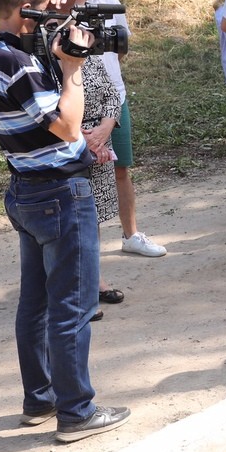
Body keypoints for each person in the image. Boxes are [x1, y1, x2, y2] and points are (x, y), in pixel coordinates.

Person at [0, 0, 131, 442]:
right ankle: (76, 413)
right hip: (60, 195)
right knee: (73, 308)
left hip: (26, 189)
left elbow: (43, 117)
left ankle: (39, 400)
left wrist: (51, 20)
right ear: (25, 14)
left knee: (36, 304)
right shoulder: (18, 64)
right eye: (43, 8)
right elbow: (64, 124)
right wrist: (73, 67)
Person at [54, 0, 167, 259]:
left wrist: (109, 113)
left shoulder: (109, 2)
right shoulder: (51, 8)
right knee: (77, 176)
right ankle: (83, 249)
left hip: (114, 101)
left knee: (121, 168)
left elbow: (121, 53)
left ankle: (131, 235)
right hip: (73, 106)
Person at [81, 54, 124, 316]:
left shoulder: (90, 56)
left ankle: (94, 281)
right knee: (72, 219)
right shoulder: (41, 61)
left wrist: (104, 131)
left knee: (92, 216)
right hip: (67, 143)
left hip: (99, 144)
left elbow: (112, 96)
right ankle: (78, 291)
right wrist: (81, 136)